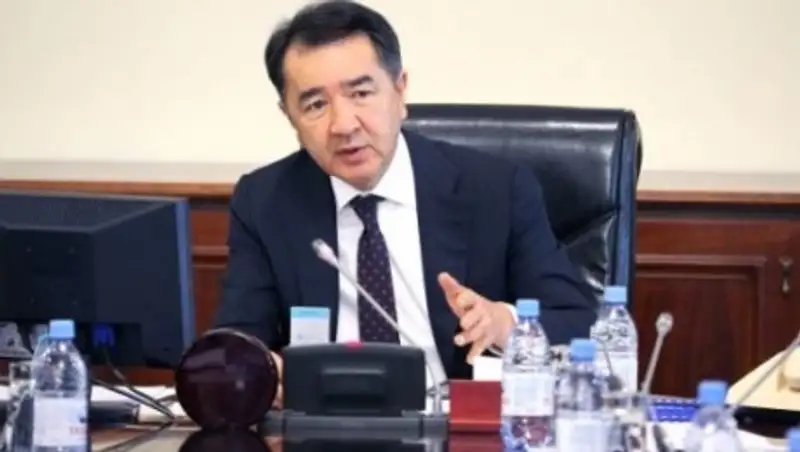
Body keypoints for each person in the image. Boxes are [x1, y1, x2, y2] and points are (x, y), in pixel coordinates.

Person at [212, 0, 597, 408]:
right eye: (315, 105)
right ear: (289, 116)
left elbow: (577, 323)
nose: (343, 125)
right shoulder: (265, 201)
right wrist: (260, 369)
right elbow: (236, 343)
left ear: (400, 90)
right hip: (324, 423)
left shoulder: (496, 190)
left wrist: (504, 325)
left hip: (454, 422)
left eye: (361, 93)